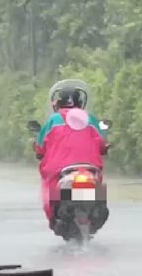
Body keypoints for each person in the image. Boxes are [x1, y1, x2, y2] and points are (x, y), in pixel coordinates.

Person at [33, 87, 110, 229]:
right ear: (80, 102)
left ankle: (53, 218)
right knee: (97, 183)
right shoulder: (90, 119)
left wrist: (38, 150)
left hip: (60, 169)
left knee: (50, 189)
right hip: (89, 167)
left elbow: (40, 147)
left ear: (59, 103)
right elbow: (102, 144)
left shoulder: (53, 120)